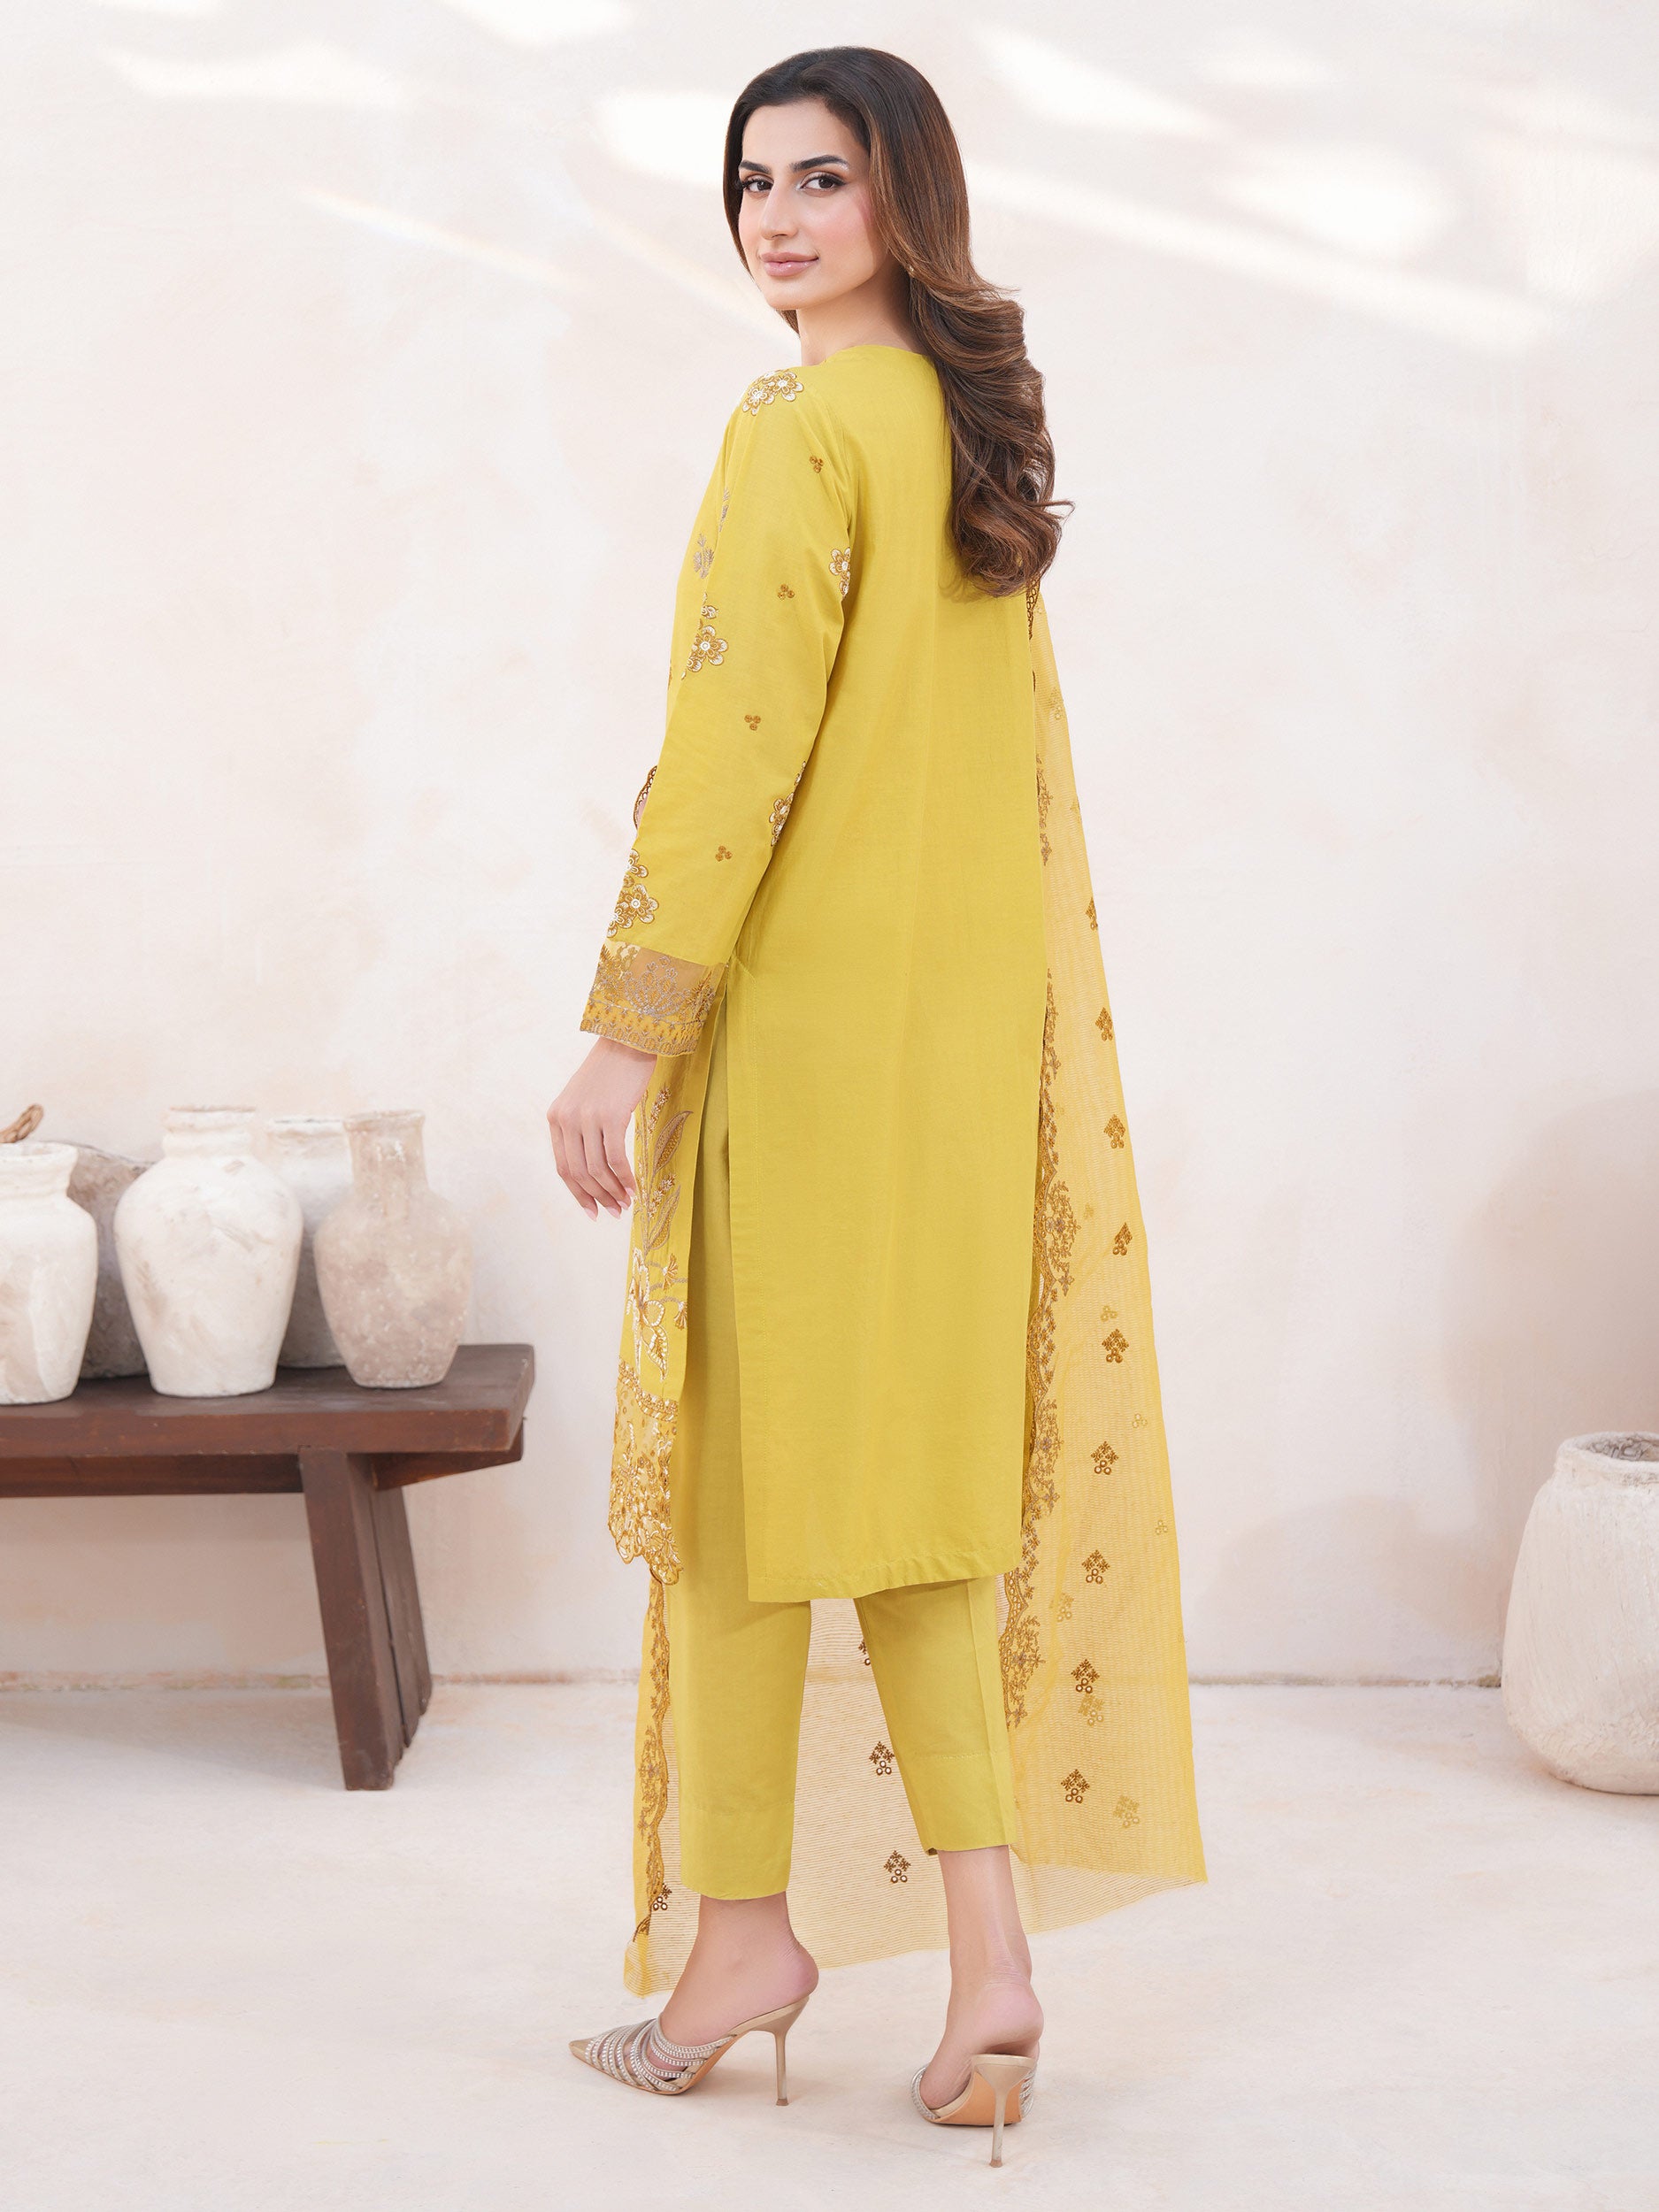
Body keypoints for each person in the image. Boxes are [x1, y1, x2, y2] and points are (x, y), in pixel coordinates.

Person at [547, 45, 1206, 2161]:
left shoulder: (798, 426)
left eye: (819, 178)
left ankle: (741, 1937)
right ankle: (985, 1956)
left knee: (740, 1514)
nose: (776, 217)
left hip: (807, 1053)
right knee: (917, 1517)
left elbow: (730, 759)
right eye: (751, 181)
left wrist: (626, 1029)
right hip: (957, 1067)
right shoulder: (966, 433)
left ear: (903, 194)